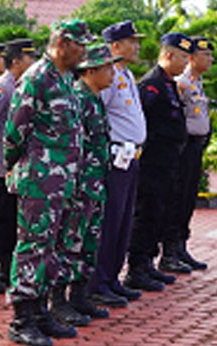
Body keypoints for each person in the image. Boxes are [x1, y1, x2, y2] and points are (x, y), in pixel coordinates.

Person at [4, 19, 93, 346]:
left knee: (50, 250)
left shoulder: (65, 79)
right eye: (80, 45)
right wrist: (25, 169)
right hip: (39, 182)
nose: (83, 51)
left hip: (61, 182)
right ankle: (22, 318)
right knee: (32, 247)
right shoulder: (37, 78)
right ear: (63, 43)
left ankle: (41, 312)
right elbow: (13, 134)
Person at [125, 33, 192, 289]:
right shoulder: (151, 85)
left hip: (167, 165)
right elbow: (142, 123)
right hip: (152, 164)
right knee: (146, 214)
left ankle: (148, 263)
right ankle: (136, 267)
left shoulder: (168, 84)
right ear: (168, 55)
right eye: (183, 57)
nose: (186, 63)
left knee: (159, 213)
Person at [89, 21, 148, 307]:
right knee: (110, 220)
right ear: (115, 46)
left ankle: (112, 278)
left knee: (123, 220)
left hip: (130, 156)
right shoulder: (109, 76)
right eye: (131, 41)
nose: (136, 46)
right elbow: (101, 114)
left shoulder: (126, 75)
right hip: (115, 156)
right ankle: (99, 282)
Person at [66, 45, 123, 322]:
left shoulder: (95, 98)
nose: (112, 73)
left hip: (95, 183)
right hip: (80, 186)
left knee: (89, 243)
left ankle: (80, 296)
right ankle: (60, 301)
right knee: (70, 244)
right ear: (90, 71)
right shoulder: (78, 99)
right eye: (107, 68)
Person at [0, 38, 36, 294]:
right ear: (16, 62)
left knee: (11, 221)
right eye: (28, 58)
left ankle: (4, 270)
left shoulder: (23, 86)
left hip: (15, 168)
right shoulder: (2, 87)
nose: (33, 63)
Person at [171, 37, 212, 271]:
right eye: (205, 55)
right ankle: (170, 250)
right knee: (178, 198)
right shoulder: (182, 83)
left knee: (188, 198)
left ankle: (181, 246)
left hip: (196, 146)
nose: (210, 59)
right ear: (192, 57)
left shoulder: (197, 82)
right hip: (183, 149)